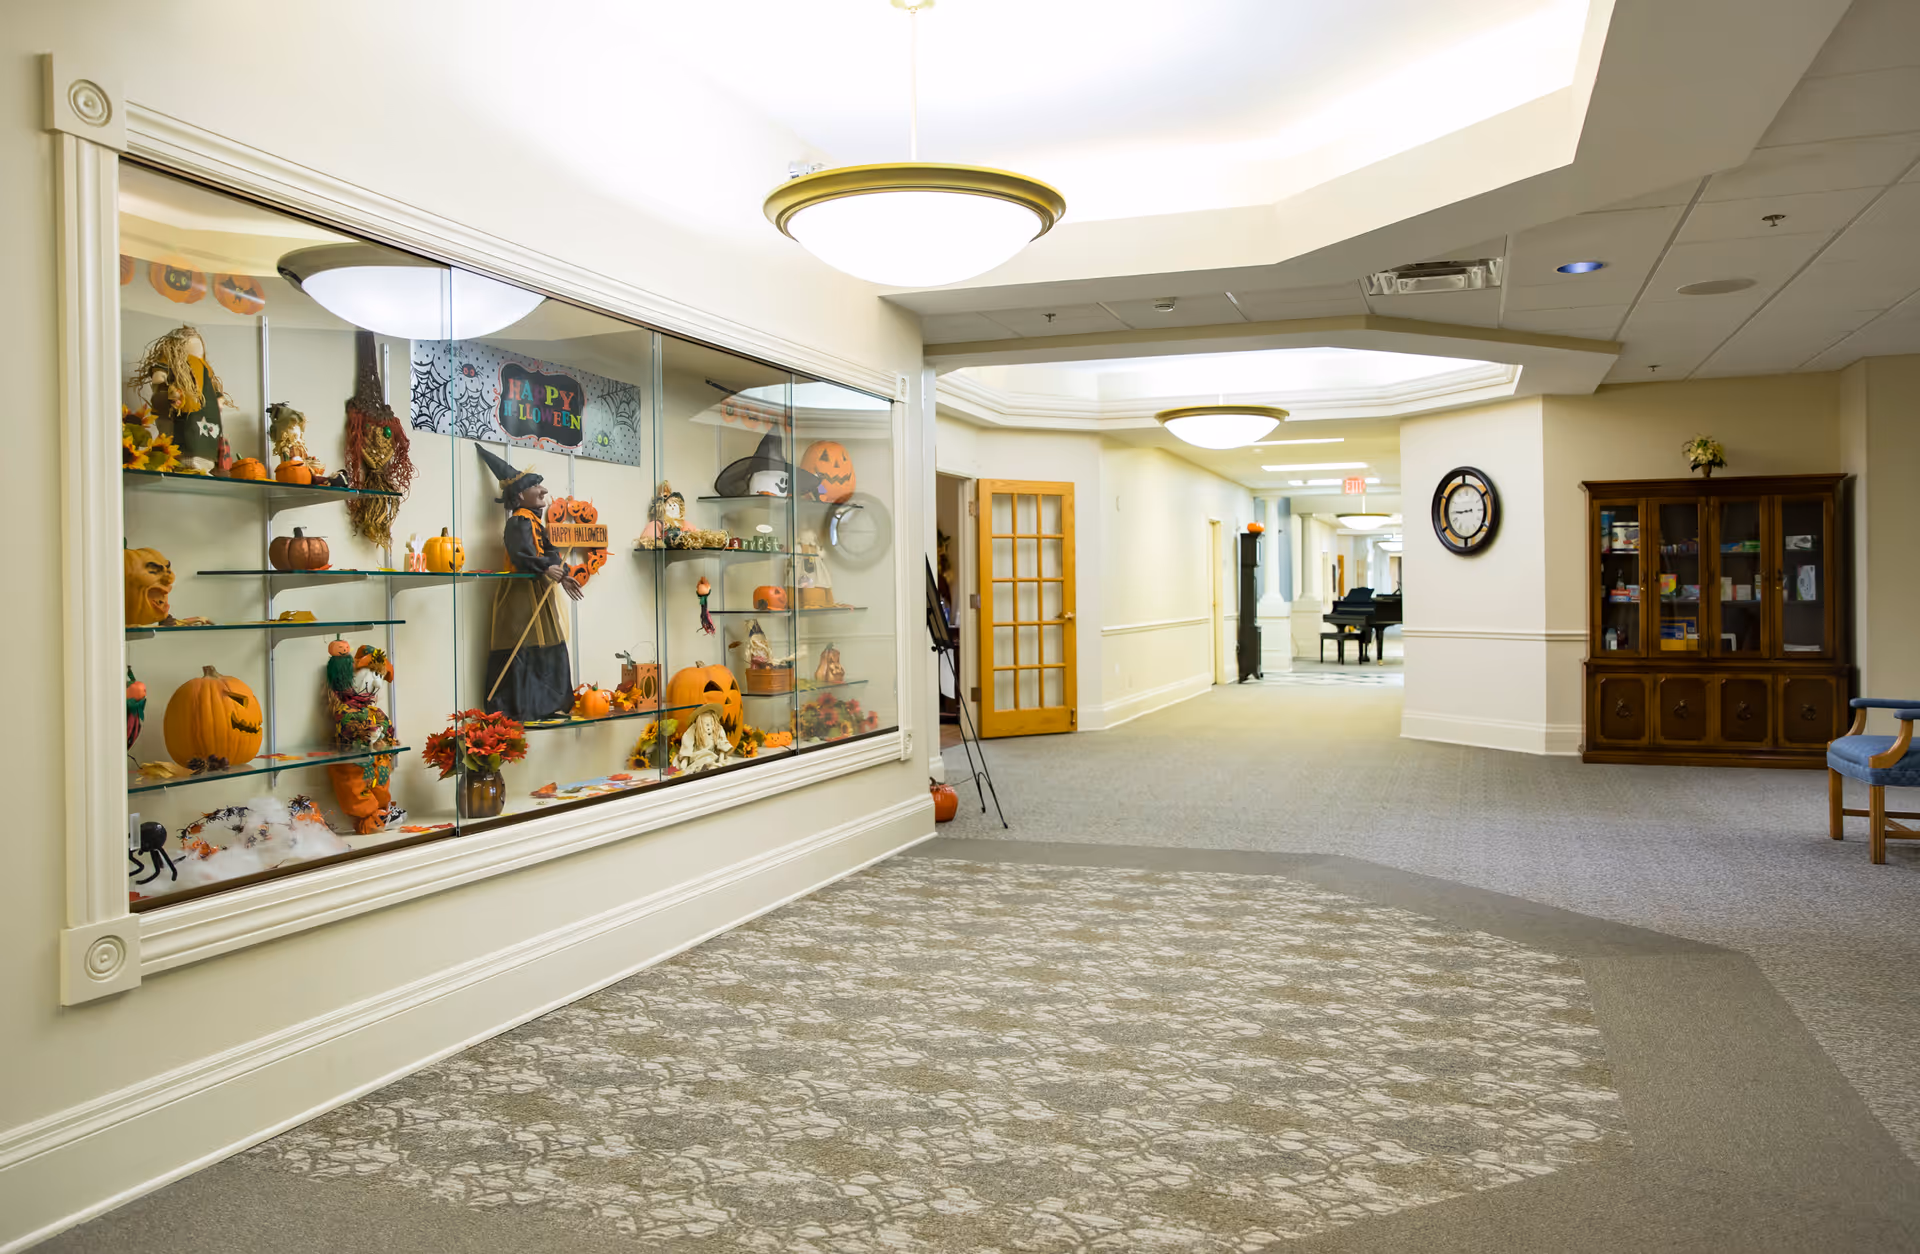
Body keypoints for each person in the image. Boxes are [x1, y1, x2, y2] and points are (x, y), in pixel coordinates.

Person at [476, 446, 582, 720]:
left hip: (539, 591)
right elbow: (522, 555)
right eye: (537, 486)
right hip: (520, 595)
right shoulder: (518, 523)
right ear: (521, 495)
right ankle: (518, 706)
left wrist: (563, 571)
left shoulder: (536, 522)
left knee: (549, 642)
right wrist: (547, 567)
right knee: (521, 645)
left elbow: (550, 552)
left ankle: (547, 704)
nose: (544, 490)